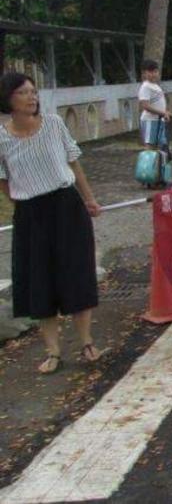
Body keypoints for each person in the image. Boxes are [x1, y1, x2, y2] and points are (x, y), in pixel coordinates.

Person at [0, 73, 104, 374]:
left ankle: (86, 342)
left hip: (66, 206)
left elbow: (74, 163)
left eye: (34, 91)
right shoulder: (2, 138)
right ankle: (53, 351)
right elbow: (3, 180)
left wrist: (89, 199)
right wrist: (21, 203)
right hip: (31, 214)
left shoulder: (55, 124)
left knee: (76, 272)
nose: (32, 97)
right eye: (23, 92)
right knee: (40, 280)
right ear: (8, 99)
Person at [137, 59, 169, 147]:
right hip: (149, 120)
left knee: (161, 145)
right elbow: (145, 106)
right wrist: (163, 113)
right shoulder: (145, 87)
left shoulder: (155, 86)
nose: (153, 74)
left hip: (158, 120)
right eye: (150, 72)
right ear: (144, 73)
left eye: (155, 71)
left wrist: (165, 112)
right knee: (150, 145)